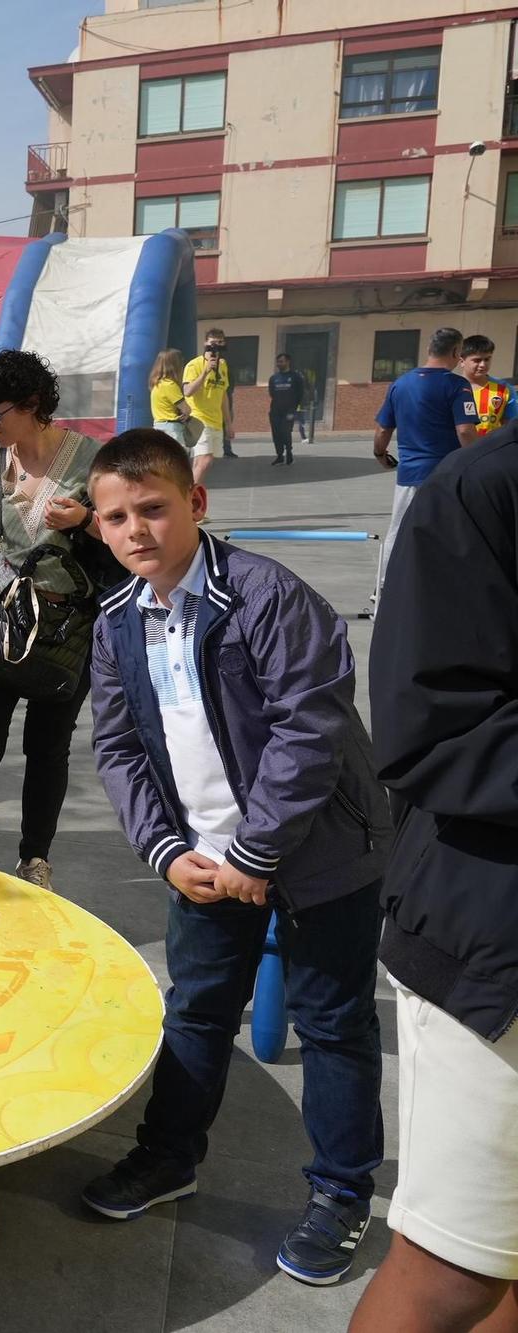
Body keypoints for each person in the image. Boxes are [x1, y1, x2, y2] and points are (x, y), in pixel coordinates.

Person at [81, 430, 389, 1287]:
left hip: (320, 857)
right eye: (117, 516)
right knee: (198, 1012)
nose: (137, 529)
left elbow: (311, 724)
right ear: (99, 529)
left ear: (196, 505)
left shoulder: (267, 597)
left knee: (332, 1026)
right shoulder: (116, 622)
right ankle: (168, 1155)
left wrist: (257, 848)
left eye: (153, 508)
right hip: (205, 866)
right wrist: (165, 849)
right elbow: (118, 746)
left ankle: (339, 1191)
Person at [352, 424, 518, 1332]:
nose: (134, 530)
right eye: (118, 516)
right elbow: (427, 732)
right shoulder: (482, 490)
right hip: (492, 942)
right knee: (454, 1268)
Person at [0, 349, 110, 891]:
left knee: (48, 747)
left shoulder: (93, 463)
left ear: (33, 405)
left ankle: (35, 859)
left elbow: (134, 538)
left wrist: (86, 518)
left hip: (69, 629)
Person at [372, 326, 476, 612]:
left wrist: (380, 454)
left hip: (409, 476)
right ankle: (444, 589)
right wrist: (475, 461)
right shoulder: (457, 386)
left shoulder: (401, 383)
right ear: (456, 352)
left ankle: (384, 588)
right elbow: (466, 430)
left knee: (399, 530)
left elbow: (383, 428)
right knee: (452, 530)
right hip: (446, 475)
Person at [181, 328, 234, 481]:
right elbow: (187, 391)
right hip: (198, 418)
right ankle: (189, 496)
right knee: (204, 460)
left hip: (216, 421)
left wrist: (229, 423)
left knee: (205, 462)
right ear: (205, 343)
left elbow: (223, 395)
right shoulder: (194, 365)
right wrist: (204, 372)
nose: (215, 346)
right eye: (212, 343)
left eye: (219, 343)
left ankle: (191, 491)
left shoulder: (223, 365)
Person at [459, 333, 509, 436]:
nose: (483, 365)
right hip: (458, 450)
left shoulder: (502, 391)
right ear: (462, 361)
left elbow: (508, 427)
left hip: (491, 450)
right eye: (477, 360)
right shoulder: (451, 388)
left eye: (487, 359)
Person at [266, 352, 307, 467]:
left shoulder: (295, 377)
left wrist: (294, 408)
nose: (279, 364)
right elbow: (272, 393)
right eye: (278, 362)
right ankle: (279, 456)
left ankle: (289, 453)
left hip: (289, 411)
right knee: (276, 434)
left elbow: (300, 393)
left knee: (285, 432)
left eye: (281, 361)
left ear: (288, 362)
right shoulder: (274, 378)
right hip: (275, 410)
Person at [148, 348, 192, 450]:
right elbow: (185, 409)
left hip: (159, 426)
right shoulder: (170, 385)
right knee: (178, 461)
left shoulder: (157, 384)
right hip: (172, 430)